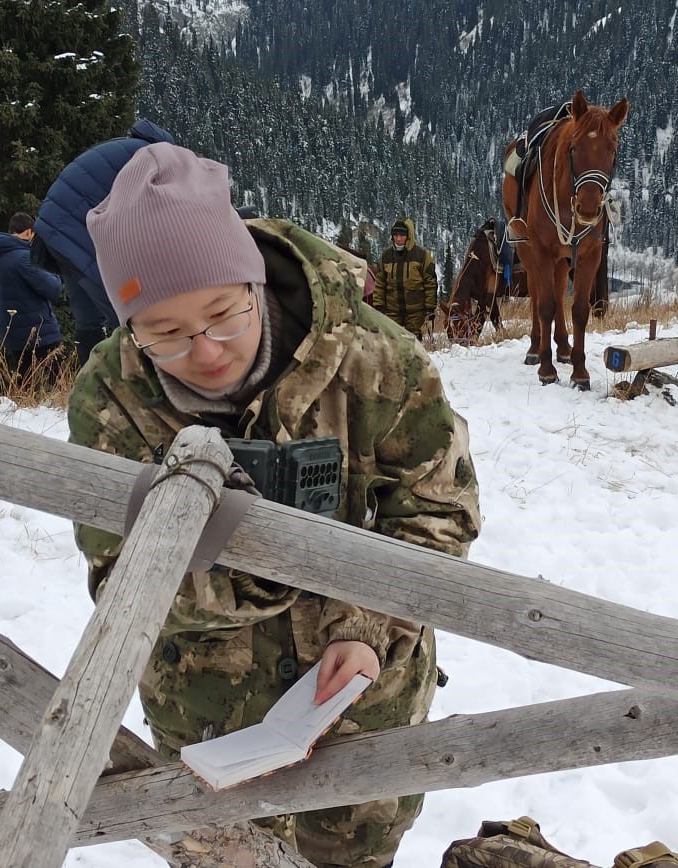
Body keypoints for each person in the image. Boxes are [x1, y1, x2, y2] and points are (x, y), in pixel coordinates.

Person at [67, 143, 481, 868]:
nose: (206, 351)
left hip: (361, 701)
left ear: (254, 279)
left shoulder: (375, 358)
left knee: (354, 854)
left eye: (224, 313)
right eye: (164, 332)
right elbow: (117, 575)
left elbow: (438, 512)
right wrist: (250, 577)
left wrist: (367, 628)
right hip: (206, 714)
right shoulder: (113, 399)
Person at [31, 119, 175, 365]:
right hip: (77, 235)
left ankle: (90, 384)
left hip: (55, 233)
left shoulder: (124, 146)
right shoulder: (151, 158)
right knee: (124, 311)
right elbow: (167, 211)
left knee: (88, 319)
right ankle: (134, 383)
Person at [0, 212, 63, 382]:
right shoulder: (25, 258)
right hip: (39, 332)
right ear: (28, 232)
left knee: (24, 381)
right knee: (57, 379)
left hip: (11, 330)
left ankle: (21, 406)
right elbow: (54, 288)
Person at [371, 218, 438, 338]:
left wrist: (430, 308)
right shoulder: (385, 257)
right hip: (392, 311)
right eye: (395, 235)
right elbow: (380, 284)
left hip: (416, 311)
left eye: (402, 235)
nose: (398, 238)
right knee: (392, 341)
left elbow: (430, 283)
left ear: (409, 236)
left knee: (414, 343)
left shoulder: (422, 256)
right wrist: (378, 306)